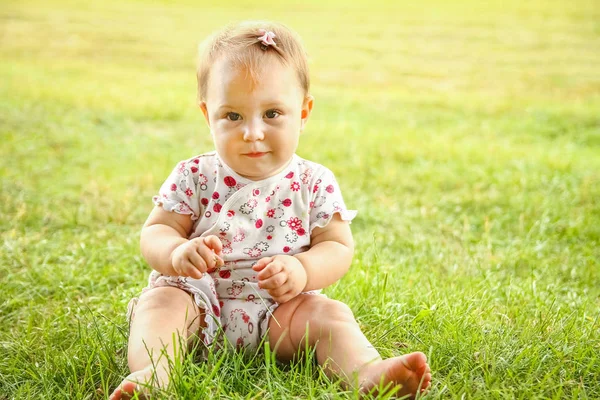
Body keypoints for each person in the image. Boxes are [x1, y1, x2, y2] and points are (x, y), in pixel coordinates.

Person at [110, 21, 431, 399]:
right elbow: (156, 231)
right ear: (206, 114)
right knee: (159, 305)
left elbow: (338, 246)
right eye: (232, 116)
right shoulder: (195, 174)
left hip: (280, 312)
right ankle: (155, 372)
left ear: (304, 112)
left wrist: (303, 268)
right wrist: (176, 252)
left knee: (330, 316)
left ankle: (368, 373)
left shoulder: (314, 181)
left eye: (273, 114)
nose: (253, 133)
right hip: (196, 305)